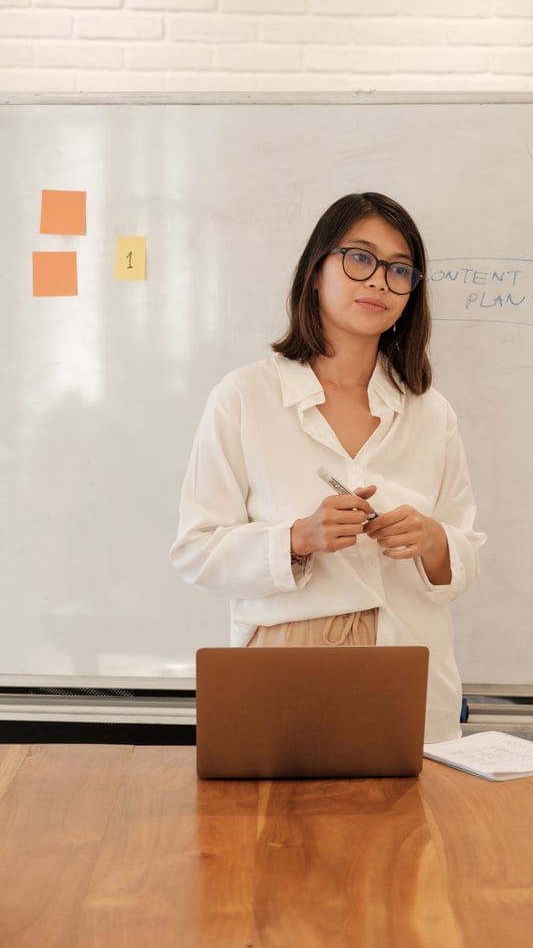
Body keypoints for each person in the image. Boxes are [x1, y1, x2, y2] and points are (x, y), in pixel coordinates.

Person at [169, 192, 485, 742]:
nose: (379, 281)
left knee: (407, 827)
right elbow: (195, 552)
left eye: (399, 269)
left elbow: (463, 554)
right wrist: (297, 537)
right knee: (276, 828)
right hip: (285, 660)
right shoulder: (245, 396)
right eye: (360, 258)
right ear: (316, 271)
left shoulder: (430, 413)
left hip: (405, 663)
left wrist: (434, 541)